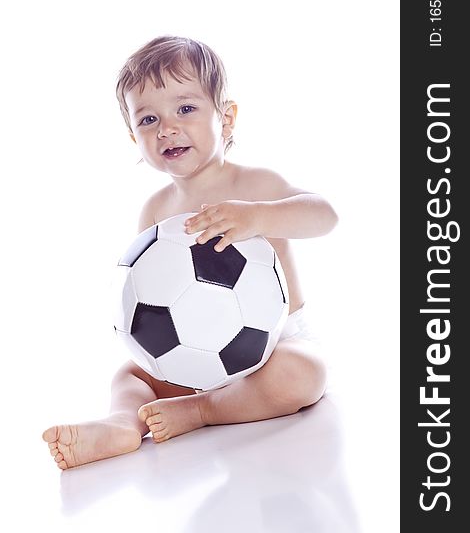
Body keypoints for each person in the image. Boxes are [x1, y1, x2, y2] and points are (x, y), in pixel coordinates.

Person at [42, 35, 338, 469]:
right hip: (192, 357)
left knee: (304, 375)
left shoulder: (254, 186)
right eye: (147, 119)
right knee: (130, 375)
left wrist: (258, 218)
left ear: (227, 117)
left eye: (185, 109)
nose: (166, 128)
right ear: (133, 136)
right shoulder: (156, 211)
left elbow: (325, 215)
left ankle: (201, 412)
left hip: (275, 345)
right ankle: (123, 423)